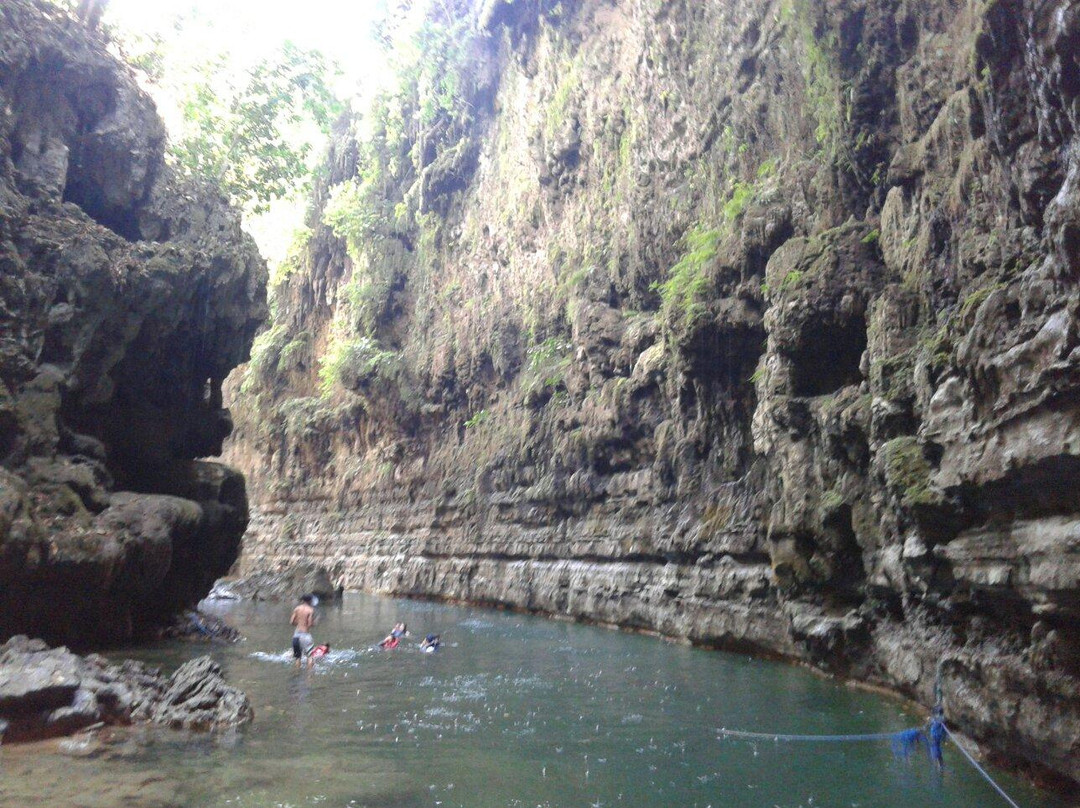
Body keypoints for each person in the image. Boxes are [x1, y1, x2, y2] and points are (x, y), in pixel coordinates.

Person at [290, 594, 317, 668]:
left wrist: (299, 623)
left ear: (302, 600)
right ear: (310, 601)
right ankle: (310, 673)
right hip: (305, 635)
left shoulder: (297, 609)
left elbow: (291, 622)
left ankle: (297, 672)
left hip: (296, 635)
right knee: (310, 656)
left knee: (297, 658)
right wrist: (315, 622)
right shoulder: (310, 610)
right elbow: (309, 624)